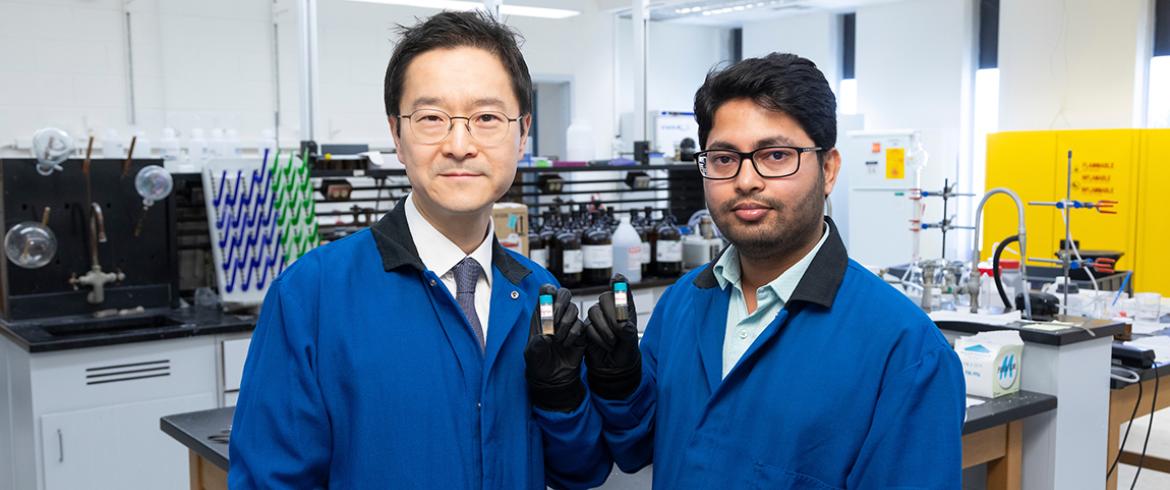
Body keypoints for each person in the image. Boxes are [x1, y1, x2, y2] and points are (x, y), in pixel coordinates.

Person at [229, 11, 609, 489]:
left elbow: (581, 470)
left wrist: (565, 398)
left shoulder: (540, 295)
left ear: (522, 132)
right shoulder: (313, 295)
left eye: (487, 118)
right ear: (397, 136)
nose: (459, 144)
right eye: (431, 118)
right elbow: (270, 480)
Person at [582, 53, 966, 489]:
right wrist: (620, 384)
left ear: (829, 169)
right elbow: (637, 449)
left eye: (776, 154)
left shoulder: (907, 351)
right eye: (725, 158)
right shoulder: (682, 304)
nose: (746, 180)